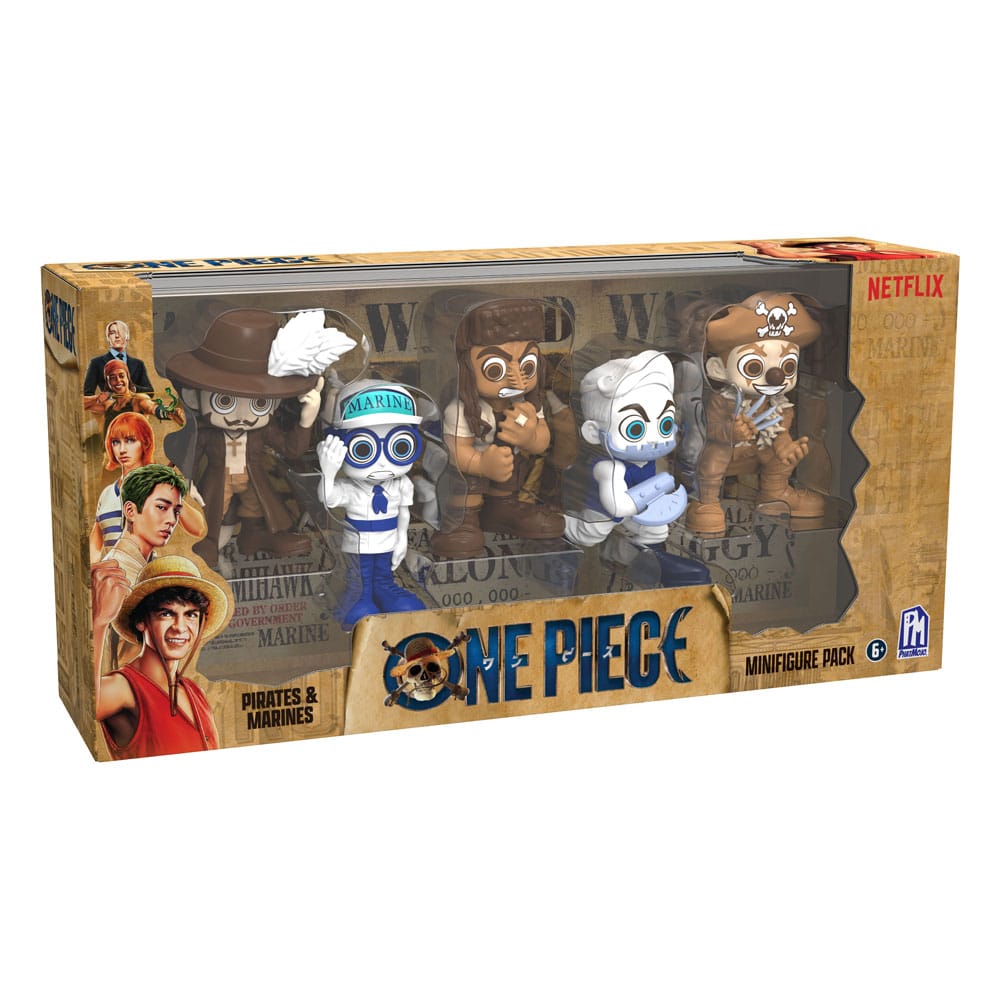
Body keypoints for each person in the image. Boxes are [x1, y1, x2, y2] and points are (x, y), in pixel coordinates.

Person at [165, 308, 353, 566]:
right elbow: (189, 459)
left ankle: (256, 535)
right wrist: (185, 483)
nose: (242, 416)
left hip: (253, 480)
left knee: (258, 506)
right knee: (212, 514)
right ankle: (206, 541)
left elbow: (291, 450)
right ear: (193, 398)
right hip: (217, 483)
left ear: (275, 403)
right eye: (224, 401)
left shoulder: (262, 431)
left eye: (260, 403)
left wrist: (307, 418)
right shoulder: (207, 434)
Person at [430, 298, 564, 559]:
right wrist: (480, 464)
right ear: (466, 368)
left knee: (514, 467)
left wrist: (529, 437)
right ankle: (463, 519)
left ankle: (502, 508)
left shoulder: (526, 403)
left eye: (527, 366)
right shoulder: (461, 409)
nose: (517, 380)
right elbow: (455, 450)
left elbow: (543, 441)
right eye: (495, 369)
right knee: (467, 481)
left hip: (508, 470)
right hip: (471, 467)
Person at [563, 351, 710, 586]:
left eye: (664, 424)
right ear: (593, 432)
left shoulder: (650, 460)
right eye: (635, 429)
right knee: (590, 534)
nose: (653, 439)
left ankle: (642, 556)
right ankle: (562, 529)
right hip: (606, 511)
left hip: (638, 510)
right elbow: (618, 505)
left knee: (656, 529)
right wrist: (658, 487)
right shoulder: (608, 468)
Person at [686, 292, 825, 535]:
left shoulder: (778, 403)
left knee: (778, 459)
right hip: (728, 453)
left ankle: (774, 493)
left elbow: (778, 430)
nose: (776, 376)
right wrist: (731, 432)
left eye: (787, 365)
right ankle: (706, 501)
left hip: (757, 453)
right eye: (754, 366)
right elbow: (710, 428)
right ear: (718, 368)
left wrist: (785, 448)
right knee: (713, 456)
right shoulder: (723, 401)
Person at [97, 555, 232, 759]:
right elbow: (85, 704)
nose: (180, 627)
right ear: (141, 621)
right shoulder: (123, 687)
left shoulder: (196, 693)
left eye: (191, 615)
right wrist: (99, 623)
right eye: (167, 614)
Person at [317, 381, 426, 626]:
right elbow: (328, 498)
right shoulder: (351, 487)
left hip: (388, 540)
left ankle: (384, 591)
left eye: (399, 446)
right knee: (360, 578)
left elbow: (404, 513)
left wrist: (402, 539)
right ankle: (359, 598)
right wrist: (328, 472)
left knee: (383, 575)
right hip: (358, 545)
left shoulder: (401, 483)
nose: (383, 462)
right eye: (364, 449)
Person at [90, 413, 207, 563]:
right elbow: (96, 545)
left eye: (130, 440)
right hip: (113, 572)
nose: (122, 449)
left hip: (147, 571)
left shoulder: (159, 488)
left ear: (145, 443)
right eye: (116, 442)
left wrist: (165, 492)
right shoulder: (107, 494)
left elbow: (198, 529)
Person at [83, 358, 185, 437]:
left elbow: (152, 407)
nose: (118, 381)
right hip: (111, 456)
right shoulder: (108, 404)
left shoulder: (138, 400)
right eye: (113, 378)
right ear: (108, 382)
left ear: (128, 378)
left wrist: (168, 413)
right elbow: (79, 403)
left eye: (121, 376)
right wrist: (97, 398)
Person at [82, 319, 153, 395]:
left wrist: (133, 388)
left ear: (127, 336)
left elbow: (150, 392)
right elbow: (87, 393)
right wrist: (104, 400)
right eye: (112, 333)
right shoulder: (96, 363)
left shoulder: (138, 364)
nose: (117, 336)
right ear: (108, 337)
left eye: (121, 332)